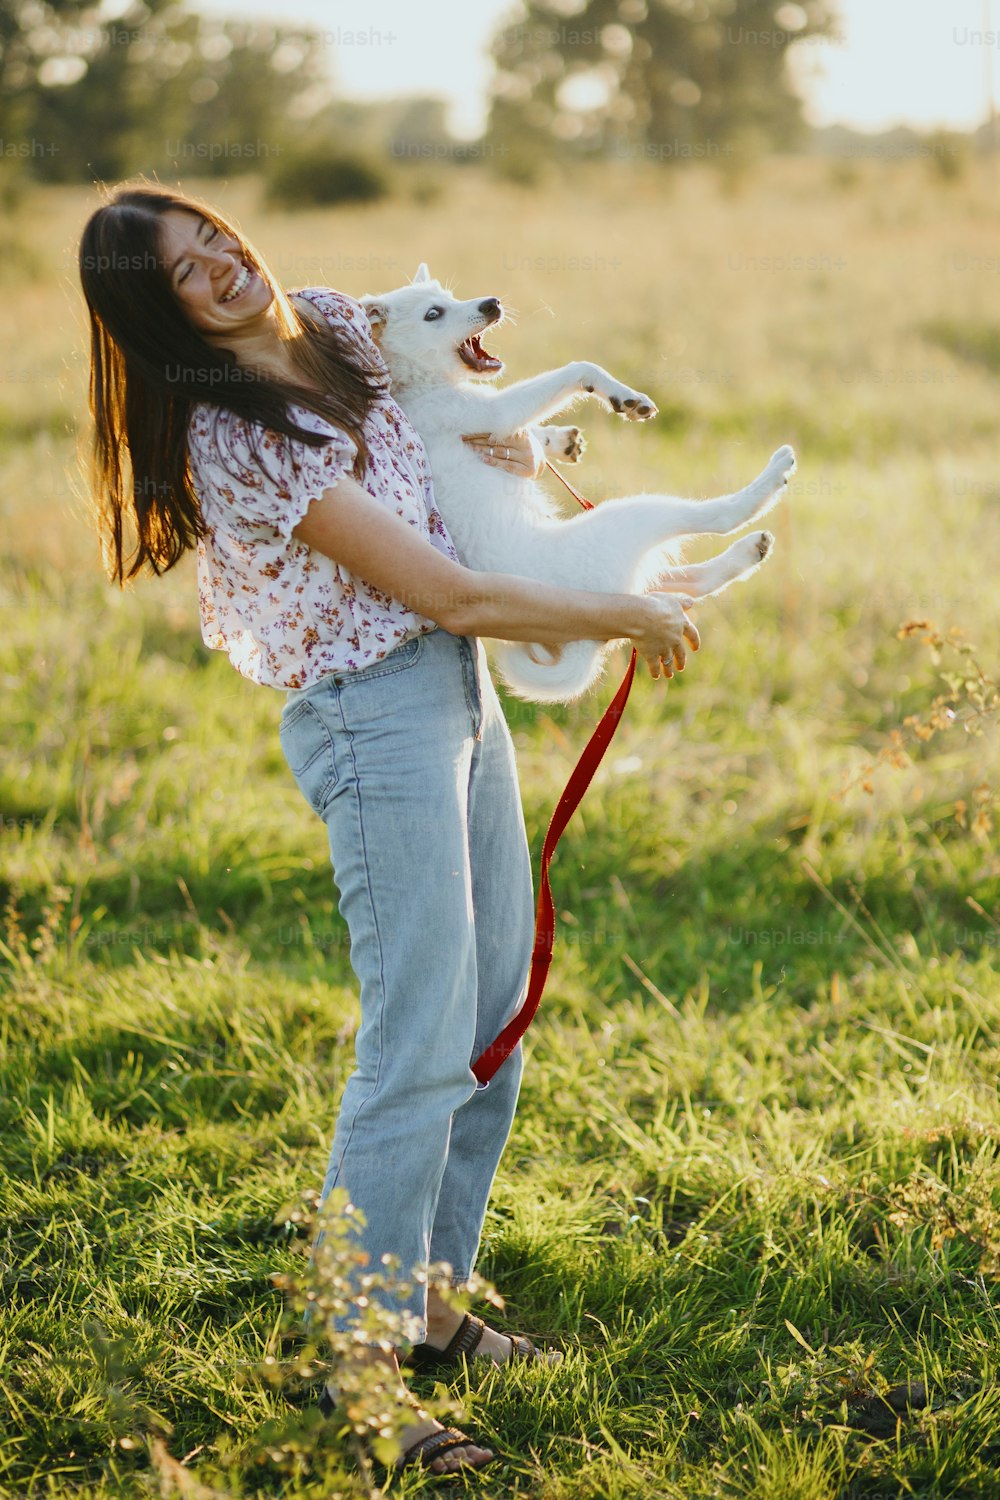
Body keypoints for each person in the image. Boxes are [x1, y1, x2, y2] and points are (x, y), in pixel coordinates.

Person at [77, 183, 700, 1478]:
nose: (228, 269)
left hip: (455, 689)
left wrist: (548, 478)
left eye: (221, 239)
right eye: (191, 273)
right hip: (374, 715)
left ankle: (424, 1297)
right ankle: (354, 1370)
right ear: (161, 314)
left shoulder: (345, 329)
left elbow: (470, 432)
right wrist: (620, 621)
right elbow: (446, 589)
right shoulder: (235, 436)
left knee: (487, 1024)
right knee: (417, 1040)